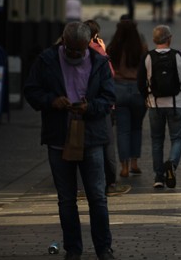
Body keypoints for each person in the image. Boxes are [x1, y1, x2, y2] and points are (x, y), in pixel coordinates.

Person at [23, 22, 116, 260]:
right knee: (66, 198)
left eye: (80, 50)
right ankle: (73, 249)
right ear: (63, 41)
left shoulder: (99, 62)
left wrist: (90, 106)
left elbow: (109, 98)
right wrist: (51, 101)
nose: (75, 55)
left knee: (97, 196)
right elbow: (32, 91)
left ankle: (103, 248)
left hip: (91, 137)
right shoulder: (47, 60)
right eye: (71, 50)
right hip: (59, 136)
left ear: (88, 44)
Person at [137, 25, 181, 189]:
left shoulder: (147, 57)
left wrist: (146, 97)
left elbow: (140, 83)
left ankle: (158, 177)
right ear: (169, 38)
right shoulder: (178, 56)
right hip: (176, 104)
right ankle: (172, 163)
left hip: (155, 105)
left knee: (157, 141)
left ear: (154, 40)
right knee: (178, 138)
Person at [84, 19, 132, 196]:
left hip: (81, 104)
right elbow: (109, 73)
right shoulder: (98, 52)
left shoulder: (75, 50)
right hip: (102, 104)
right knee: (106, 144)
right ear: (96, 35)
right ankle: (109, 182)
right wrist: (103, 52)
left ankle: (87, 182)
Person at [106, 19, 148, 178]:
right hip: (137, 89)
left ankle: (124, 166)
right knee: (136, 128)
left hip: (119, 89)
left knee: (122, 130)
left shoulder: (113, 49)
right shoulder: (141, 48)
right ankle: (134, 163)